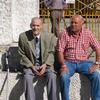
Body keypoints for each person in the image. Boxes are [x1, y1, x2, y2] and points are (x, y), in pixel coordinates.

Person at [56, 15, 100, 100]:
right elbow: (60, 51)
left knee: (96, 76)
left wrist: (97, 63)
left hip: (84, 62)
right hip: (68, 62)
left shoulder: (88, 33)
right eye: (72, 22)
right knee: (64, 77)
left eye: (76, 23)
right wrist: (62, 65)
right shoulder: (64, 33)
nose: (73, 24)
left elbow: (97, 47)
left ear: (81, 23)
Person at [18, 17, 57, 100]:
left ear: (42, 26)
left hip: (45, 65)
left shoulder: (49, 36)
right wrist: (31, 66)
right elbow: (22, 54)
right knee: (27, 78)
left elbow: (52, 52)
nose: (35, 28)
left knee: (52, 76)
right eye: (33, 25)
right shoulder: (23, 37)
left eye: (38, 25)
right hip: (30, 65)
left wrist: (45, 64)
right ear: (30, 25)